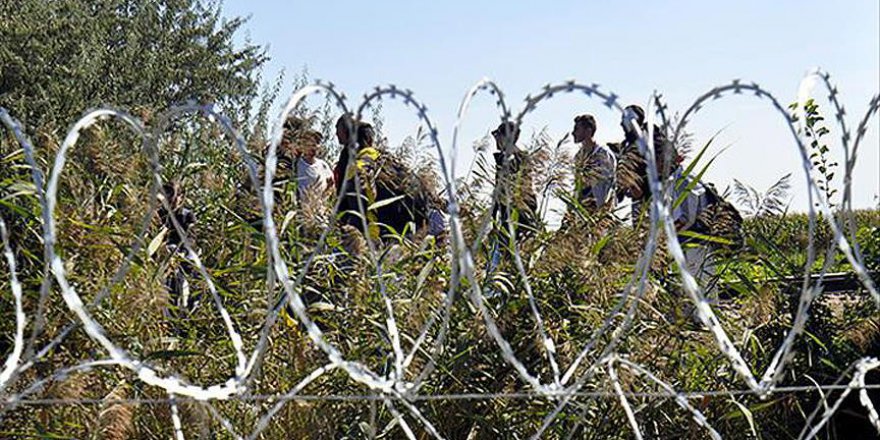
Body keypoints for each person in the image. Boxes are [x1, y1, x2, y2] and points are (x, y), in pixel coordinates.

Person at [490, 121, 539, 239]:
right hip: (508, 214)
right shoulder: (505, 159)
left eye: (498, 135)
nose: (496, 139)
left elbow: (516, 190)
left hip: (517, 215)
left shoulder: (516, 159)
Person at [571, 114, 617, 211]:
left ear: (588, 131)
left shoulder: (603, 154)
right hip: (582, 209)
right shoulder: (578, 157)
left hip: (600, 209)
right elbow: (577, 184)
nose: (573, 133)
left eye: (577, 129)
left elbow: (607, 184)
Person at [294, 129, 334, 202]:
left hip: (318, 209)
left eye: (316, 144)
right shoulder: (296, 164)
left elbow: (331, 183)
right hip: (299, 209)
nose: (313, 148)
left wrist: (324, 197)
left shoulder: (323, 165)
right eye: (309, 145)